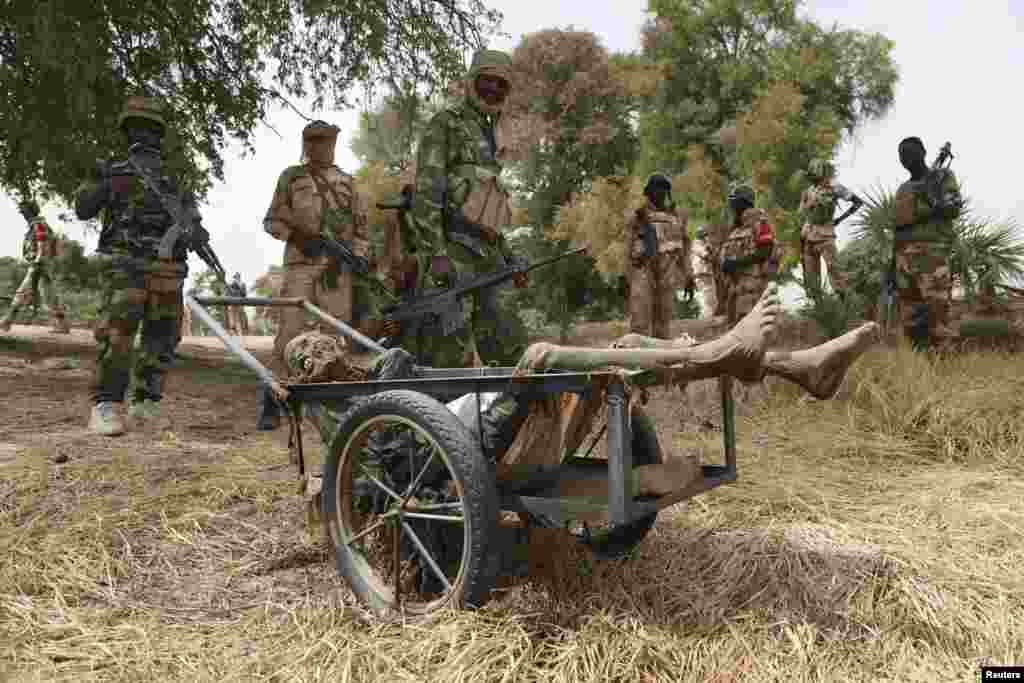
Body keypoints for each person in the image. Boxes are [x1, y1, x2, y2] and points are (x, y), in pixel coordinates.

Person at [397, 48, 529, 368]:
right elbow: (426, 195)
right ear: (472, 81)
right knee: (446, 354)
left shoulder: (494, 134)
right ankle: (430, 417)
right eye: (488, 80)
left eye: (502, 84)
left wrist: (510, 257)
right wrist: (437, 254)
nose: (494, 89)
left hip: (490, 256)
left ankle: (504, 417)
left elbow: (488, 208)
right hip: (452, 251)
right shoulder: (446, 124)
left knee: (510, 345)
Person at [74, 95, 192, 435]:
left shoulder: (174, 179)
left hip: (167, 270)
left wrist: (192, 232)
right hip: (123, 266)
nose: (146, 135)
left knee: (162, 337)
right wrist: (105, 180)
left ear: (160, 134)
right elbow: (83, 207)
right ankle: (107, 405)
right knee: (117, 336)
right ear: (127, 133)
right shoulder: (110, 169)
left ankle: (146, 404)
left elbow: (192, 221)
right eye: (139, 129)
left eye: (151, 129)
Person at [259, 119, 374, 430]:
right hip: (299, 266)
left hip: (338, 270)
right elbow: (272, 220)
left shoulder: (349, 182)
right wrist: (298, 238)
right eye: (312, 140)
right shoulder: (291, 177)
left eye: (324, 140)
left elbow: (361, 229)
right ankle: (273, 400)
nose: (318, 146)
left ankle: (335, 406)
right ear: (305, 143)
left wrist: (359, 257)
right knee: (288, 336)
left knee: (336, 337)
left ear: (333, 143)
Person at [891, 137, 963, 349]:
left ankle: (946, 369)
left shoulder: (942, 177)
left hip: (931, 256)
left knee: (937, 314)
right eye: (902, 154)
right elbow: (898, 228)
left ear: (923, 152)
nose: (906, 157)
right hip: (903, 259)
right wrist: (892, 266)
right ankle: (922, 371)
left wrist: (931, 197)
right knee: (911, 320)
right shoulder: (903, 189)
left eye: (911, 151)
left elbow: (953, 208)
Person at [623, 174, 695, 338]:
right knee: (639, 322)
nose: (661, 192)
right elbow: (627, 248)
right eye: (657, 188)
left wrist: (689, 276)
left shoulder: (676, 218)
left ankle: (660, 361)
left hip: (667, 274)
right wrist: (625, 277)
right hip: (642, 271)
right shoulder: (637, 216)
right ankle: (636, 360)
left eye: (664, 189)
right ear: (648, 192)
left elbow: (683, 249)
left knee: (663, 323)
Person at [0, 199, 70, 333]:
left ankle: (6, 321)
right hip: (43, 264)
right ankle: (63, 324)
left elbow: (42, 243)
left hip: (39, 264)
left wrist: (38, 263)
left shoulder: (38, 225)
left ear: (30, 211)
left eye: (24, 211)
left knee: (23, 292)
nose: (22, 213)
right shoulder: (39, 224)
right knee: (49, 295)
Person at [798, 158, 862, 296]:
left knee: (837, 275)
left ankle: (848, 308)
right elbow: (801, 214)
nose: (811, 178)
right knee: (811, 279)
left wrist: (839, 219)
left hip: (825, 235)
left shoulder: (834, 187)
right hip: (808, 235)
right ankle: (819, 311)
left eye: (813, 175)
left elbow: (857, 202)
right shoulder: (808, 191)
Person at [719, 183, 777, 324]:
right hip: (735, 289)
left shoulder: (760, 222)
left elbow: (765, 252)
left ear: (744, 203)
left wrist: (736, 263)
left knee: (749, 328)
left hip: (752, 287)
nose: (732, 206)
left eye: (735, 202)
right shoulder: (736, 227)